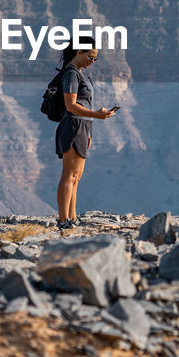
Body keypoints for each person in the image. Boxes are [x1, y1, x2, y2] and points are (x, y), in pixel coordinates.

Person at [55, 44, 115, 230]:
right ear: (79, 52)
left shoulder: (81, 74)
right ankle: (63, 220)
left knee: (77, 176)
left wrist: (89, 132)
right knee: (69, 175)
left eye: (95, 59)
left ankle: (72, 217)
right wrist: (97, 115)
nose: (93, 61)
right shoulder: (71, 74)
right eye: (90, 57)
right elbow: (70, 105)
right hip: (73, 124)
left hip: (82, 126)